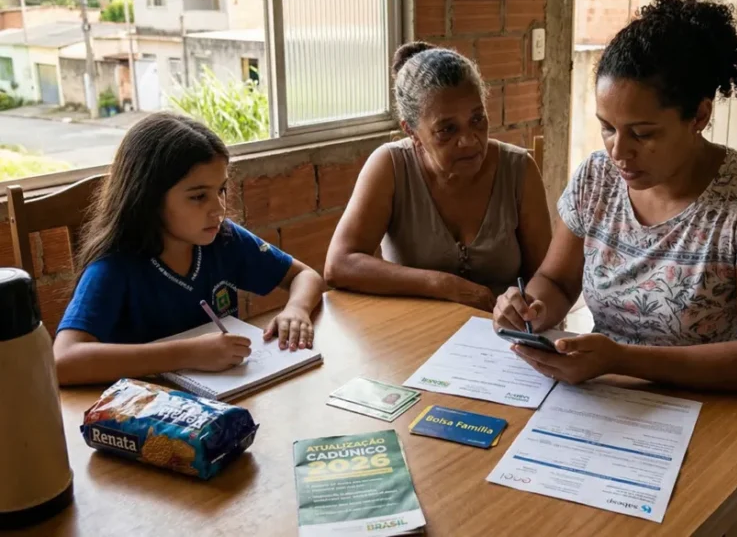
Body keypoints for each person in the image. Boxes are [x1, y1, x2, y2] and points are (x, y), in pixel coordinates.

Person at [492, 0, 737, 536]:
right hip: (607, 410)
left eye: (643, 134)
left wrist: (619, 358)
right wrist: (533, 308)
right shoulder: (598, 178)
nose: (619, 152)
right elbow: (557, 277)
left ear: (699, 116)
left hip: (725, 427)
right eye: (607, 127)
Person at [54, 113, 325, 386]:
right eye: (198, 196)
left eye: (221, 190)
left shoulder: (225, 240)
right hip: (147, 413)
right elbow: (64, 360)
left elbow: (305, 276)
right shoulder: (115, 267)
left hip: (226, 400)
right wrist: (187, 353)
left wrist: (297, 309)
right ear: (148, 197)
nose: (218, 208)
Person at [324, 42, 552, 312]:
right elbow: (339, 264)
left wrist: (525, 311)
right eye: (447, 130)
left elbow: (546, 279)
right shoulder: (391, 167)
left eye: (477, 119)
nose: (468, 140)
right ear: (411, 132)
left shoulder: (519, 170)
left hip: (503, 338)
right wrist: (442, 285)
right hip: (416, 333)